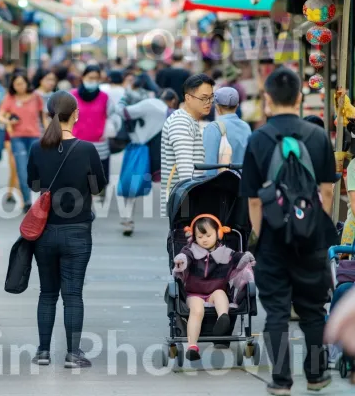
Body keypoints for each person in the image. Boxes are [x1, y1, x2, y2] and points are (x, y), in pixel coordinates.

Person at [240, 67, 336, 394]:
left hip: (271, 239)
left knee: (277, 311)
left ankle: (281, 381)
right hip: (312, 239)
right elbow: (326, 191)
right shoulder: (319, 136)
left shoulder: (257, 139)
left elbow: (253, 200)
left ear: (267, 99)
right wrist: (313, 226)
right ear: (299, 98)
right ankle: (316, 375)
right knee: (313, 309)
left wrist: (262, 234)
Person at [27, 91, 107, 368]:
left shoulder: (37, 147)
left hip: (45, 232)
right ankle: (73, 353)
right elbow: (98, 186)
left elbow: (35, 185)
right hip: (77, 231)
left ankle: (42, 352)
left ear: (49, 114)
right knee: (73, 293)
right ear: (75, 114)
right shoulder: (86, 149)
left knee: (47, 293)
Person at [173, 215, 255, 362]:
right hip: (194, 294)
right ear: (194, 236)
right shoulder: (191, 251)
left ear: (218, 233)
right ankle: (192, 346)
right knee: (197, 310)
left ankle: (222, 318)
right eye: (200, 236)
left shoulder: (224, 252)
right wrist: (180, 261)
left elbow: (238, 258)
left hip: (214, 292)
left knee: (220, 294)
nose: (204, 239)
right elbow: (184, 257)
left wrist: (247, 257)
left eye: (208, 235)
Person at [160, 74, 213, 218]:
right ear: (188, 98)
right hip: (185, 205)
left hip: (185, 203)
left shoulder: (188, 120)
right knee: (184, 240)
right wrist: (193, 208)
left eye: (211, 97)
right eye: (203, 98)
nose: (209, 102)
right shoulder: (181, 123)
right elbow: (185, 170)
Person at [117, 95, 168, 235]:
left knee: (130, 185)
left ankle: (127, 218)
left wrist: (123, 99)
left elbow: (120, 110)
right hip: (141, 151)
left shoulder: (148, 106)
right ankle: (127, 218)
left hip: (137, 151)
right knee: (131, 185)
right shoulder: (160, 109)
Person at [0, 73, 47, 212]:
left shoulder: (36, 97)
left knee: (37, 169)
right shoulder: (10, 98)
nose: (19, 86)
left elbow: (44, 118)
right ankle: (27, 201)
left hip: (35, 138)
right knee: (22, 169)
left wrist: (50, 134)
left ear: (27, 83)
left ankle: (42, 200)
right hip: (17, 138)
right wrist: (8, 121)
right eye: (16, 84)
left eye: (22, 83)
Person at [71, 65, 117, 193]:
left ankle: (98, 193)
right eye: (90, 77)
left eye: (96, 78)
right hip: (77, 142)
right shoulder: (73, 95)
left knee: (99, 175)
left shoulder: (104, 97)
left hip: (99, 142)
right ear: (83, 77)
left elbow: (112, 115)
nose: (93, 80)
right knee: (78, 175)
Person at [202, 87, 252, 175]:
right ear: (237, 105)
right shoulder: (246, 127)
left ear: (217, 107)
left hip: (222, 185)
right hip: (242, 183)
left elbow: (210, 168)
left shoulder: (213, 127)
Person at [32, 68, 58, 132]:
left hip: (52, 131)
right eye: (48, 79)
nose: (52, 82)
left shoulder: (55, 96)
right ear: (40, 80)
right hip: (36, 131)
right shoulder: (33, 95)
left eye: (53, 80)